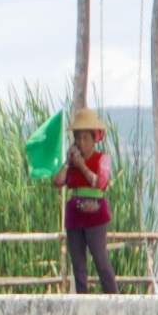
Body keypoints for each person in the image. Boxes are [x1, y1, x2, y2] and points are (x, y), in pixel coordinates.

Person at [54, 108, 117, 294]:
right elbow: (58, 181)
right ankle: (83, 299)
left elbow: (100, 183)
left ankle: (113, 297)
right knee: (78, 264)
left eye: (85, 138)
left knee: (100, 259)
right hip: (75, 216)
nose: (82, 142)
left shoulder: (101, 159)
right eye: (78, 138)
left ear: (93, 139)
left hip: (95, 215)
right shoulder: (72, 162)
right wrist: (68, 162)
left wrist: (82, 167)